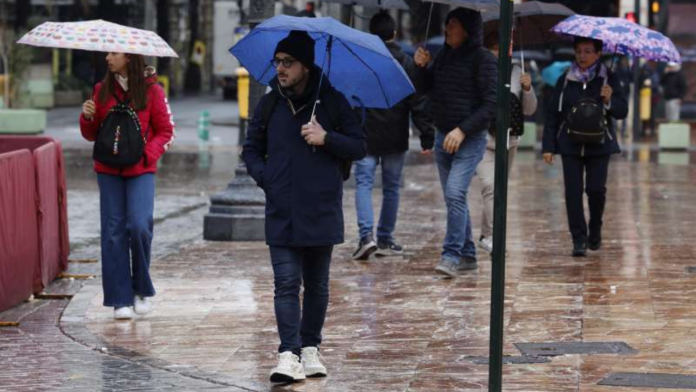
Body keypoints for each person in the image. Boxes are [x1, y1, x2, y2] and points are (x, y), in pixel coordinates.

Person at [242, 31, 366, 383]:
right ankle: (288, 353)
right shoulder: (270, 103)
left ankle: (310, 347)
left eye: (288, 62)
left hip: (321, 207)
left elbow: (358, 147)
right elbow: (251, 149)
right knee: (285, 282)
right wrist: (268, 179)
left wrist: (326, 138)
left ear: (306, 66)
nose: (280, 69)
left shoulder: (333, 103)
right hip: (281, 209)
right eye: (277, 61)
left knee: (317, 285)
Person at [80, 53, 175, 320]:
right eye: (107, 53)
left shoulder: (153, 90)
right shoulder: (101, 89)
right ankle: (119, 298)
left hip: (140, 169)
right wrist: (87, 117)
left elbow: (166, 131)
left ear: (130, 57)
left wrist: (147, 155)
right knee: (113, 231)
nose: (108, 58)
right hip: (108, 169)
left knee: (140, 225)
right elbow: (91, 134)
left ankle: (141, 290)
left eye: (114, 53)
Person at [413, 7, 497, 278]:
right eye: (447, 23)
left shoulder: (484, 60)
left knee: (454, 193)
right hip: (442, 136)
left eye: (453, 24)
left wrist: (462, 130)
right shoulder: (444, 55)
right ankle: (468, 255)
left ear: (468, 29)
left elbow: (491, 105)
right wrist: (421, 67)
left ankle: (450, 255)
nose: (447, 28)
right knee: (454, 200)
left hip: (469, 139)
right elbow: (427, 88)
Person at [352, 12, 437, 261]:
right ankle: (386, 239)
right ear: (394, 34)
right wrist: (427, 135)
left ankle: (366, 237)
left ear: (371, 34)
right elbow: (418, 101)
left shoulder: (362, 61)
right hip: (395, 134)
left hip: (365, 132)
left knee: (364, 184)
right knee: (391, 188)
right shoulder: (406, 62)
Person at [542, 37, 628, 257]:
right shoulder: (565, 80)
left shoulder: (609, 79)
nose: (582, 55)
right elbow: (552, 113)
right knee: (573, 192)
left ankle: (595, 228)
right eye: (579, 51)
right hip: (570, 144)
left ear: (598, 54)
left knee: (596, 190)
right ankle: (578, 239)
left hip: (600, 144)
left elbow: (622, 111)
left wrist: (609, 101)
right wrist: (548, 146)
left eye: (588, 51)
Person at [476, 32, 537, 254]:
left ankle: (486, 235)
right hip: (484, 140)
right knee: (490, 186)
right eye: (494, 47)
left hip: (510, 140)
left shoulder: (518, 72)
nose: (498, 52)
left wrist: (528, 89)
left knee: (498, 189)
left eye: (502, 47)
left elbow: (529, 110)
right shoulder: (481, 71)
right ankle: (495, 237)